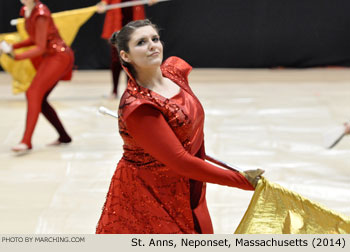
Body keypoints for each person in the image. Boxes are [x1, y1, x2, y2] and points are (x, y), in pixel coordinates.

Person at [96, 19, 264, 234]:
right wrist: (241, 181)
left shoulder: (173, 73)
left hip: (189, 185)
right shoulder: (139, 107)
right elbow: (181, 162)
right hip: (150, 194)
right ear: (125, 56)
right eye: (141, 42)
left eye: (155, 39)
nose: (152, 46)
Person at [0, 0, 74, 154]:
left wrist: (15, 56)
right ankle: (64, 136)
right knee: (40, 99)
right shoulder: (27, 10)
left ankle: (26, 141)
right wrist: (12, 46)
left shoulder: (41, 14)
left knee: (33, 93)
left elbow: (39, 47)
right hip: (52, 56)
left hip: (58, 56)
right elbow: (34, 39)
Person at [96, 0, 158, 99]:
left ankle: (130, 90)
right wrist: (102, 5)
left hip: (134, 24)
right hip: (117, 24)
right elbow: (105, 2)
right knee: (116, 60)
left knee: (133, 61)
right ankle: (114, 91)